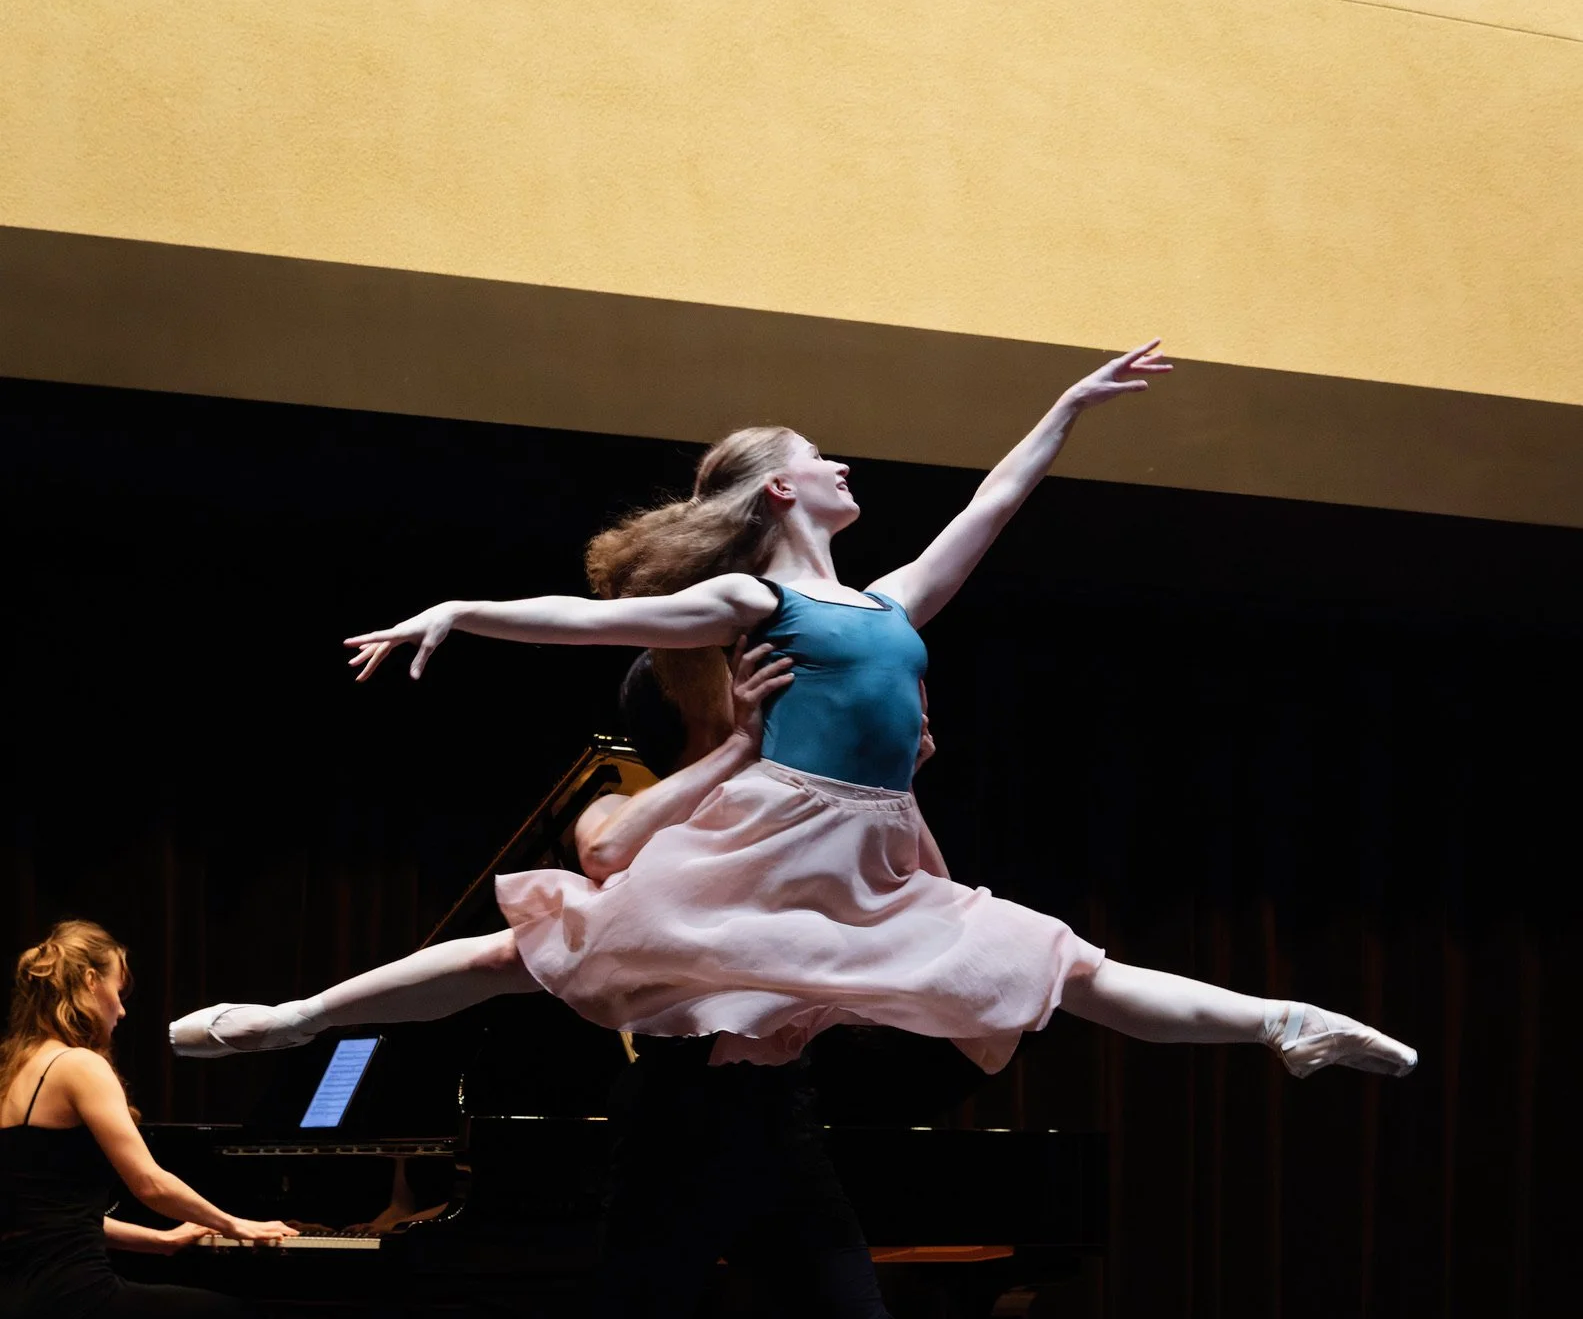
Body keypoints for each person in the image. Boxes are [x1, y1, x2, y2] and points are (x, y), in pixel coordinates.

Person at [171, 653, 1135, 1319]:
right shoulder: (623, 810)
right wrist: (297, 1017)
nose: (753, 674)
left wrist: (895, 780)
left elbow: (924, 909)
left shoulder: (783, 803)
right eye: (724, 675)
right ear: (685, 703)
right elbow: (518, 938)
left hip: (782, 1121)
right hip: (676, 1121)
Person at [301, 340, 1406, 1083]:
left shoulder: (889, 601)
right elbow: (578, 623)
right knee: (536, 945)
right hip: (781, 827)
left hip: (875, 841)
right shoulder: (755, 598)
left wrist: (1063, 411)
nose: (841, 465)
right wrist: (458, 607)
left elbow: (993, 503)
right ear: (782, 489)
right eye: (818, 458)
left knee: (1059, 965)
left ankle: (1280, 1022)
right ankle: (299, 1020)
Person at [0, 922, 317, 1319]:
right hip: (72, 1296)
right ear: (90, 983)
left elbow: (53, 1217)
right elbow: (148, 1180)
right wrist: (238, 1224)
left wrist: (164, 1244)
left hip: (18, 1296)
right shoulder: (79, 1064)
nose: (122, 1005)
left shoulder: (13, 1069)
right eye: (120, 987)